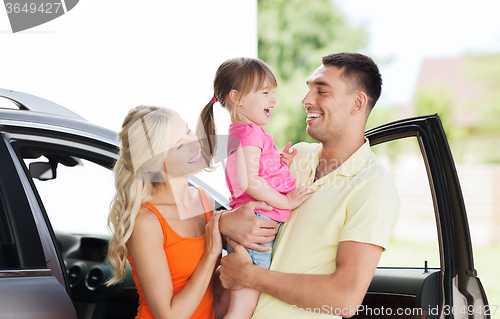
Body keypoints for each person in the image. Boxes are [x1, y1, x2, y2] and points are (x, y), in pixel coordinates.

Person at [217, 53, 401, 318]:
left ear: (357, 103)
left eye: (321, 91)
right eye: (308, 89)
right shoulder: (297, 157)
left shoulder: (373, 187)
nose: (306, 100)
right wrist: (224, 221)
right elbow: (247, 204)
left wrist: (250, 276)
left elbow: (344, 298)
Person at [197, 57, 312, 319]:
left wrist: (277, 164)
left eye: (273, 92)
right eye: (265, 92)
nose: (273, 99)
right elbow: (249, 181)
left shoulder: (241, 131)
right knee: (242, 309)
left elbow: (251, 174)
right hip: (256, 228)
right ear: (236, 97)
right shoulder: (250, 133)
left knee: (225, 306)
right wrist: (287, 201)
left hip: (247, 224)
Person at [106, 105, 229, 319]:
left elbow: (206, 288)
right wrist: (210, 255)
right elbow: (169, 315)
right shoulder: (146, 221)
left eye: (189, 131)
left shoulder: (203, 199)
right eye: (180, 145)